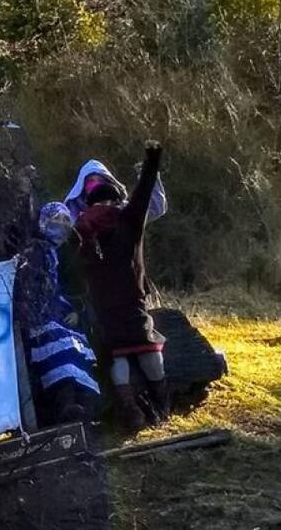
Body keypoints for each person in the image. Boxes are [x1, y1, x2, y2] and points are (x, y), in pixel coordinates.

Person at [75, 141, 167, 430]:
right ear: (117, 198)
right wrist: (152, 158)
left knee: (119, 356)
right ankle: (161, 408)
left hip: (103, 306)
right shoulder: (128, 218)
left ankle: (129, 409)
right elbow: (144, 192)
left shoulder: (79, 226)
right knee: (148, 351)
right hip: (132, 300)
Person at [14, 202, 100, 426]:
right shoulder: (35, 251)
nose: (60, 226)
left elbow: (71, 286)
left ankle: (86, 409)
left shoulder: (64, 251)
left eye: (65, 221)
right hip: (39, 319)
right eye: (55, 220)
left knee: (77, 350)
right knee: (59, 351)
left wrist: (74, 308)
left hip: (62, 314)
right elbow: (30, 288)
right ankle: (66, 405)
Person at [64, 158, 167, 225]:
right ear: (82, 185)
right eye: (90, 181)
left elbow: (155, 208)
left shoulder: (121, 211)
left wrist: (149, 177)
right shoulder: (71, 215)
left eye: (100, 180)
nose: (95, 184)